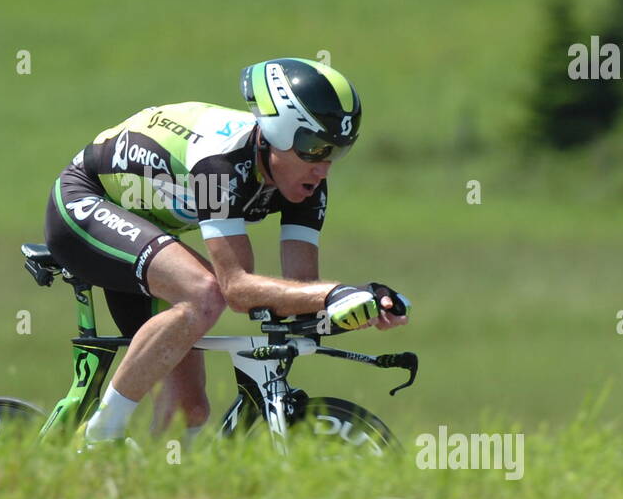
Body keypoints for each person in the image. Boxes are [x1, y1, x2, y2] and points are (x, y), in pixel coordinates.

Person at [42, 57, 408, 449]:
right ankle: (98, 436)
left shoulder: (305, 179)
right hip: (85, 203)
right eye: (315, 149)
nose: (324, 169)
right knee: (205, 292)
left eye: (336, 152)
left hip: (148, 226)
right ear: (277, 135)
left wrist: (361, 303)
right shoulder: (220, 164)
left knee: (188, 413)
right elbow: (236, 288)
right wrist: (332, 294)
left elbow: (301, 292)